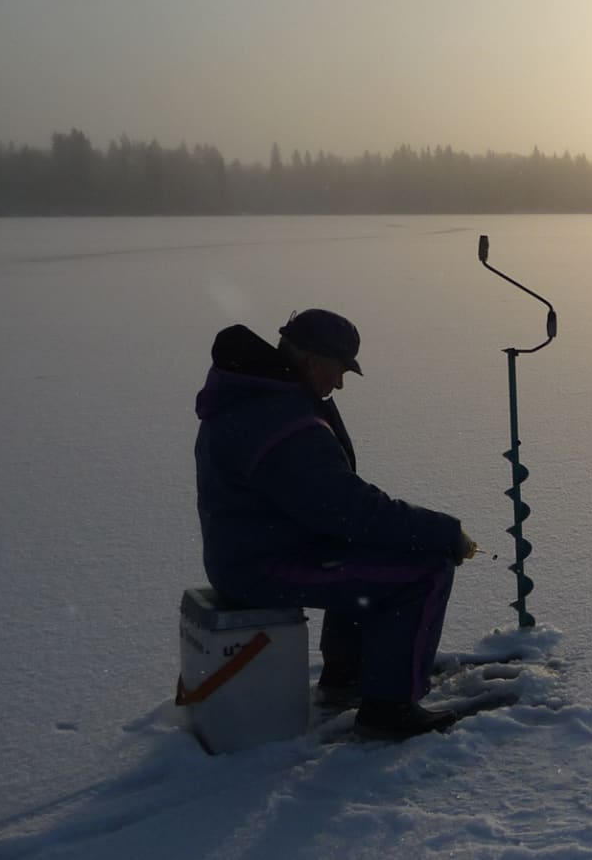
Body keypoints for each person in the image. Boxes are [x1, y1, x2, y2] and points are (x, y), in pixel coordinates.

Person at [194, 308, 477, 739]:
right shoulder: (280, 420)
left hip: (256, 550)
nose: (340, 383)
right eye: (340, 369)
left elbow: (336, 508)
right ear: (312, 359)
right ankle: (389, 708)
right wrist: (444, 532)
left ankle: (349, 677)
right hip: (261, 565)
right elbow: (349, 510)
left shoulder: (266, 397)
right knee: (425, 571)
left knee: (371, 553)